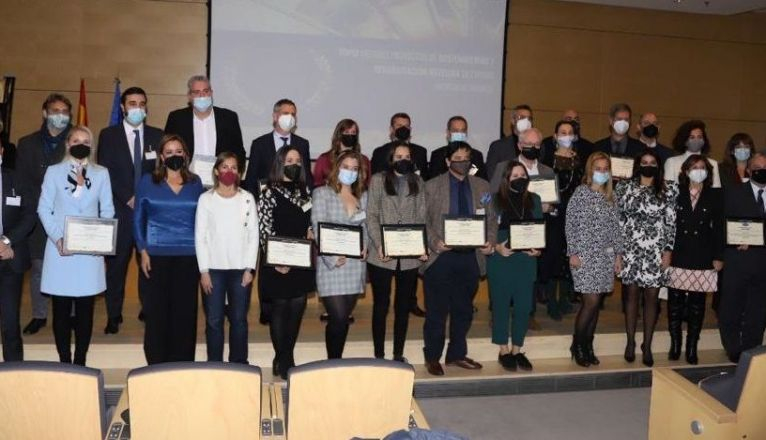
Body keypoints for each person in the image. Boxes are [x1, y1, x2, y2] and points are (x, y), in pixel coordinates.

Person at [37, 126, 114, 365]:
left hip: (89, 254)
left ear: (91, 146)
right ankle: (64, 360)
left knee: (85, 311)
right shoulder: (53, 172)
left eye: (86, 141)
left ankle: (80, 361)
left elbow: (108, 210)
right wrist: (59, 239)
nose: (81, 144)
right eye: (76, 140)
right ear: (68, 144)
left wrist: (101, 239)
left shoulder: (101, 173)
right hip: (60, 250)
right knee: (60, 310)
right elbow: (44, 208)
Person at [421, 142, 495, 376]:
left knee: (463, 310)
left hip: (470, 257)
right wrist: (434, 242)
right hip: (441, 256)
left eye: (466, 158)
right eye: (457, 158)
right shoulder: (431, 186)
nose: (462, 162)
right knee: (437, 311)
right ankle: (432, 356)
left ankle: (456, 354)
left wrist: (490, 241)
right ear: (447, 161)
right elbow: (422, 221)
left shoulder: (482, 186)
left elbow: (492, 220)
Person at [97, 86, 163, 333]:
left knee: (149, 263)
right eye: (132, 103)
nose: (137, 108)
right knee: (117, 265)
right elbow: (105, 171)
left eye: (142, 103)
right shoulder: (109, 135)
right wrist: (127, 197)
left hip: (149, 211)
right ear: (123, 107)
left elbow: (160, 173)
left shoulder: (158, 135)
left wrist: (145, 198)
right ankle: (114, 314)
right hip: (121, 210)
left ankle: (148, 309)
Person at [134, 134, 204, 364]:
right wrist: (142, 250)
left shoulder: (196, 182)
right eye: (169, 152)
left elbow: (202, 221)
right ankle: (156, 365)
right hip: (155, 255)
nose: (175, 155)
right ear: (161, 157)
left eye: (179, 151)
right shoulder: (147, 181)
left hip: (189, 256)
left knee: (184, 314)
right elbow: (138, 219)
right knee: (156, 313)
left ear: (185, 154)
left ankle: (182, 364)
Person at [615, 149, 678, 367]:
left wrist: (668, 251)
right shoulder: (624, 187)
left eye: (652, 162)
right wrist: (618, 253)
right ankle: (631, 341)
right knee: (631, 298)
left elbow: (671, 223)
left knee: (652, 299)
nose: (648, 165)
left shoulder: (668, 189)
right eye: (644, 162)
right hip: (630, 249)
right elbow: (619, 221)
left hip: (655, 251)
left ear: (658, 166)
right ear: (638, 164)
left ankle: (647, 345)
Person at [16, 93, 72, 335]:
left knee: (67, 265)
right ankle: (39, 315)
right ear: (44, 113)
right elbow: (22, 181)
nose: (60, 116)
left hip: (67, 215)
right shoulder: (27, 143)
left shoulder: (75, 141)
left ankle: (68, 315)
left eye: (64, 112)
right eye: (55, 110)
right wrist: (39, 206)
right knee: (39, 266)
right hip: (37, 216)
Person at [366, 141, 427, 362]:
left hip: (409, 257)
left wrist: (422, 246)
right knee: (381, 306)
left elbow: (422, 217)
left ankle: (398, 353)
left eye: (407, 156)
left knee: (403, 307)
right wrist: (379, 243)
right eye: (399, 156)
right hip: (381, 254)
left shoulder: (418, 181)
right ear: (391, 159)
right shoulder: (378, 180)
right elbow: (371, 214)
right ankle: (379, 354)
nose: (403, 159)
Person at [258, 145, 315, 379]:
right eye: (289, 160)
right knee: (280, 310)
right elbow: (263, 229)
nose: (295, 164)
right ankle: (281, 357)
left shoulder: (305, 192)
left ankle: (287, 354)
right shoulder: (268, 191)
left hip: (300, 261)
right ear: (280, 163)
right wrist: (276, 261)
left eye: (298, 161)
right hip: (276, 262)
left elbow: (309, 221)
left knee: (297, 308)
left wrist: (311, 230)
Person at [195, 152, 258, 364]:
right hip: (213, 269)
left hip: (241, 269)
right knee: (214, 320)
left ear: (239, 172)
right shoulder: (206, 199)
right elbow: (200, 237)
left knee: (239, 320)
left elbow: (253, 237)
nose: (228, 171)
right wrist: (203, 271)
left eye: (233, 167)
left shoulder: (247, 199)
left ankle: (239, 364)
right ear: (216, 171)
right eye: (224, 167)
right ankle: (215, 364)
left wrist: (250, 269)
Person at [489, 127, 554, 331]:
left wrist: (549, 207)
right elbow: (493, 196)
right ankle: (497, 313)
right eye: (529, 144)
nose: (533, 148)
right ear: (519, 144)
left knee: (527, 278)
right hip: (505, 229)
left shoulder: (547, 171)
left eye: (536, 145)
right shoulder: (504, 167)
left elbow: (553, 204)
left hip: (532, 230)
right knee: (502, 280)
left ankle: (528, 314)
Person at [566, 151, 623, 367]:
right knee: (589, 302)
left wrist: (618, 254)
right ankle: (578, 344)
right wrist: (573, 252)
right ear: (590, 170)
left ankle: (588, 345)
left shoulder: (611, 196)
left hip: (605, 257)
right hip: (584, 256)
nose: (601, 172)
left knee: (597, 302)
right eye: (597, 169)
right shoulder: (580, 194)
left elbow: (616, 228)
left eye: (605, 169)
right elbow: (570, 225)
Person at [667, 155, 724, 365]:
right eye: (694, 167)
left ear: (708, 172)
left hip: (703, 256)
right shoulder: (675, 193)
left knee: (697, 306)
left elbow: (719, 228)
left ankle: (692, 346)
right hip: (678, 254)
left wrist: (719, 256)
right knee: (675, 304)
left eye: (702, 167)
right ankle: (675, 344)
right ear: (685, 170)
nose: (698, 170)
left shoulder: (715, 196)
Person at [311, 150, 369, 359]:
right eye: (346, 167)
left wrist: (366, 247)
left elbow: (366, 229)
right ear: (337, 168)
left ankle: (337, 359)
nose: (350, 172)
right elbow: (318, 227)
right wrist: (332, 257)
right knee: (337, 316)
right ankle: (333, 362)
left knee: (343, 319)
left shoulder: (363, 196)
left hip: (355, 267)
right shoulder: (322, 193)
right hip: (332, 266)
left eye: (355, 169)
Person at [488, 160, 542, 372]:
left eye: (523, 175)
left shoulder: (535, 200)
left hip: (526, 260)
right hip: (502, 257)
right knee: (501, 305)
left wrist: (538, 249)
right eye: (515, 176)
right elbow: (486, 231)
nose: (520, 179)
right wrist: (496, 247)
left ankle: (517, 349)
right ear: (506, 179)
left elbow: (539, 229)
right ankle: (503, 350)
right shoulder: (493, 201)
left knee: (523, 307)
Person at [719, 150, 766, 363]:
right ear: (748, 170)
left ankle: (750, 350)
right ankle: (733, 348)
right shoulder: (733, 192)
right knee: (731, 306)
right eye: (757, 170)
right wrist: (734, 238)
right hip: (737, 260)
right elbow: (722, 224)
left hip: (763, 263)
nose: (761, 173)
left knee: (759, 309)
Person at [539, 120, 584, 320]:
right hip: (553, 214)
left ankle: (566, 299)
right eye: (562, 132)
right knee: (553, 255)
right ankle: (551, 302)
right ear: (555, 136)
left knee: (569, 256)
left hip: (574, 215)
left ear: (574, 137)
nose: (566, 135)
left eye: (570, 132)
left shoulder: (579, 161)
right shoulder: (547, 160)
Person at [0, 140, 36, 361]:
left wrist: (6, 241)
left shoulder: (17, 179)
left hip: (10, 260)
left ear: (2, 151)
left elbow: (29, 215)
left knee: (10, 323)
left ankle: (14, 377)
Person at [164, 74, 246, 169]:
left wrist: (235, 176)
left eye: (205, 91)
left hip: (221, 179)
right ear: (190, 96)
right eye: (197, 92)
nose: (202, 96)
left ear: (211, 93)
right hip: (187, 178)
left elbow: (239, 152)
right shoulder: (177, 118)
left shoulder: (228, 118)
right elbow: (166, 150)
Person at [244, 98, 313, 197]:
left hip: (296, 202)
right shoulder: (259, 144)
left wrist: (307, 202)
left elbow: (307, 178)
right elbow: (251, 179)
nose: (290, 117)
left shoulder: (302, 144)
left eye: (293, 114)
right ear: (275, 117)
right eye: (286, 113)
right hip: (267, 201)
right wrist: (257, 204)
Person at [312, 118, 371, 187]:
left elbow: (368, 184)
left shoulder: (364, 160)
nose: (350, 135)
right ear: (339, 134)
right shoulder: (324, 159)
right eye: (346, 132)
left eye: (353, 132)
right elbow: (317, 184)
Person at [370, 113, 429, 180]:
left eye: (407, 126)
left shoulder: (420, 152)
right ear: (391, 129)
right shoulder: (380, 152)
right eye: (399, 125)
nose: (403, 128)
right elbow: (376, 180)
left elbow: (424, 179)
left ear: (410, 129)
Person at [663, 120, 721, 187]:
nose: (696, 140)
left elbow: (716, 190)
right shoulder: (672, 162)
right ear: (684, 140)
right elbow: (669, 190)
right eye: (692, 137)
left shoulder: (713, 163)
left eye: (699, 137)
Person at [486, 104, 532, 179]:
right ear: (513, 121)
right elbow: (492, 176)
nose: (526, 121)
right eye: (522, 118)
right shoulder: (498, 147)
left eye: (529, 119)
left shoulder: (538, 146)